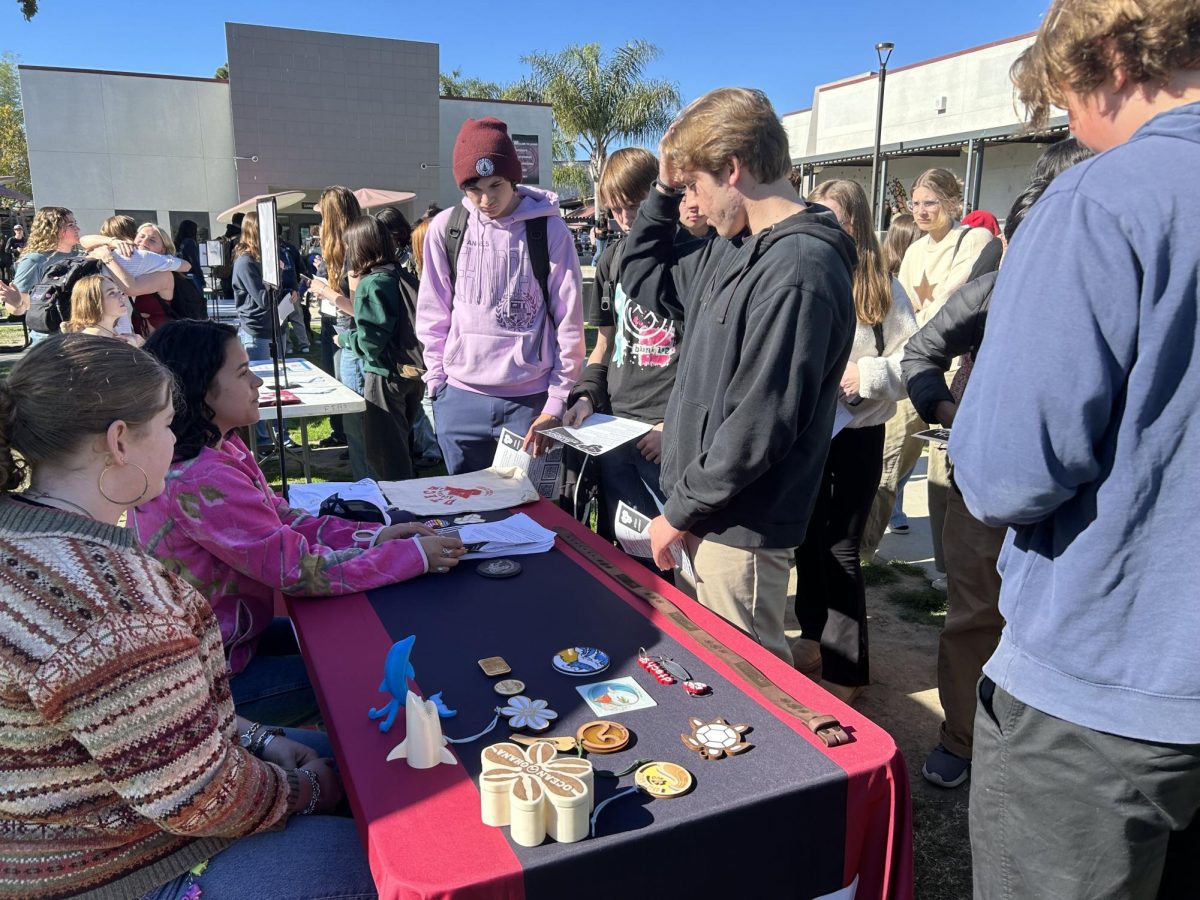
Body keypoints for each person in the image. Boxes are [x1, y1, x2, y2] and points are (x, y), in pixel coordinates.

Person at [950, 1, 1200, 894]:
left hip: (1105, 687)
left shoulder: (1104, 197)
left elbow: (1007, 471)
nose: (1070, 128)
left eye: (1062, 104)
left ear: (1110, 60)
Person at [0, 334, 375, 900]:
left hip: (85, 827)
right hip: (112, 868)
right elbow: (198, 798)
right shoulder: (111, 602)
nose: (177, 438)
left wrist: (263, 737)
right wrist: (303, 791)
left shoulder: (25, 536)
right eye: (169, 422)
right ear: (120, 441)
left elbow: (159, 727)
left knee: (358, 761)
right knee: (381, 851)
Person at [621, 88, 857, 666]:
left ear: (732, 169)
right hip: (704, 515)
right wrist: (661, 189)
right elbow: (642, 273)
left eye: (695, 186)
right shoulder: (739, 247)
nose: (692, 203)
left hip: (739, 530)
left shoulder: (799, 267)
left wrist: (678, 512)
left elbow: (761, 422)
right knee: (710, 681)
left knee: (751, 696)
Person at [130, 320, 465, 725]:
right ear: (201, 389)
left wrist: (375, 537)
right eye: (241, 373)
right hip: (214, 679)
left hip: (232, 641)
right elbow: (300, 573)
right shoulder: (203, 478)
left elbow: (281, 519)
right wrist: (411, 556)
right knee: (368, 672)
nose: (256, 382)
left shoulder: (222, 447)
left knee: (356, 643)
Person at [901, 138, 1092, 790]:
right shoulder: (990, 293)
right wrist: (952, 414)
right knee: (974, 613)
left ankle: (1041, 755)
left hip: (1079, 505)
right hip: (982, 491)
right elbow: (919, 352)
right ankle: (961, 737)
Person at [792, 180, 916, 699]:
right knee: (805, 540)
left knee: (840, 548)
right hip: (808, 433)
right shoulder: (803, 269)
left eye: (830, 215)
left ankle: (846, 669)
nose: (818, 224)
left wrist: (863, 376)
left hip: (857, 435)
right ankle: (814, 636)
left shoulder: (883, 286)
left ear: (854, 222)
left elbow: (914, 362)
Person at [416, 116, 585, 473]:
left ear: (514, 178)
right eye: (473, 188)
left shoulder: (550, 231)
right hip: (458, 399)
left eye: (496, 185)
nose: (486, 198)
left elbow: (569, 322)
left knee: (531, 519)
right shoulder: (446, 229)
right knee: (465, 518)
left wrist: (555, 402)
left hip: (530, 402)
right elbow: (433, 315)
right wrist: (436, 384)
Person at [567, 148, 688, 551]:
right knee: (623, 546)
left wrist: (673, 427)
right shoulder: (612, 260)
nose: (624, 218)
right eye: (615, 209)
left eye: (634, 206)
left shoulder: (689, 253)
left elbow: (706, 358)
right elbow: (604, 343)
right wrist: (585, 396)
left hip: (665, 432)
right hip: (614, 426)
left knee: (673, 555)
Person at [896, 169, 994, 587]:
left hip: (951, 369)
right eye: (916, 202)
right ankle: (863, 548)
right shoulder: (915, 249)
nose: (921, 210)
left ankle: (946, 566)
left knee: (941, 472)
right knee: (889, 460)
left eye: (930, 202)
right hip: (912, 364)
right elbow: (903, 308)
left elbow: (954, 301)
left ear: (953, 203)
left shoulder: (973, 241)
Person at [341, 215, 425, 480]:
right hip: (411, 372)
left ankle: (398, 512)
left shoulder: (372, 284)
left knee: (387, 456)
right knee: (402, 446)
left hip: (384, 376)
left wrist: (344, 339)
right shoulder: (401, 274)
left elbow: (370, 344)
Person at [307, 186, 371, 477]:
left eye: (322, 216)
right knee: (354, 426)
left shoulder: (354, 251)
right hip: (344, 342)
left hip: (355, 348)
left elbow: (358, 309)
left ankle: (368, 487)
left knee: (359, 428)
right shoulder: (343, 249)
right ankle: (366, 483)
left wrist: (325, 292)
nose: (319, 225)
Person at [10, 207, 81, 337]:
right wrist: (15, 303)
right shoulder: (35, 261)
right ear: (52, 229)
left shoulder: (82, 257)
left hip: (83, 336)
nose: (77, 229)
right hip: (51, 340)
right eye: (70, 225)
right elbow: (19, 306)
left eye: (75, 223)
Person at [62, 271, 144, 346]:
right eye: (112, 293)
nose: (122, 297)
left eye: (119, 292)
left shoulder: (109, 333)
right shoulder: (94, 340)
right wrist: (133, 348)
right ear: (92, 302)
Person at [173, 218, 207, 295]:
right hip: (191, 277)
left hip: (179, 277)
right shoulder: (190, 242)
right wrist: (201, 279)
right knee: (198, 300)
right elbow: (194, 262)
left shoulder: (177, 243)